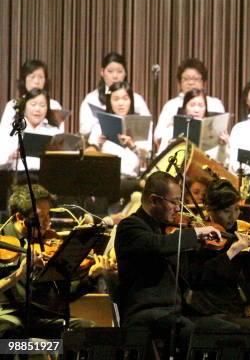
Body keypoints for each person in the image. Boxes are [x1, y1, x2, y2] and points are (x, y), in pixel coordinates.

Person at [115, 171, 236, 359]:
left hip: (175, 313)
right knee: (191, 333)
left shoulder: (168, 231)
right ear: (154, 200)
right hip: (145, 313)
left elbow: (193, 278)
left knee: (229, 331)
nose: (178, 208)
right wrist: (196, 234)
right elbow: (158, 245)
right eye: (174, 202)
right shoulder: (131, 227)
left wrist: (224, 253)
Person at [0, 184, 115, 339]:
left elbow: (64, 295)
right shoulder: (2, 241)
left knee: (88, 331)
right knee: (12, 332)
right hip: (10, 315)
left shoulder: (49, 242)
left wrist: (91, 276)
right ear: (20, 217)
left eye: (49, 215)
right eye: (42, 217)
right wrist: (20, 272)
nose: (49, 222)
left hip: (41, 317)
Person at [183, 179, 250, 340]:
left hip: (233, 313)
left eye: (237, 209)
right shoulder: (197, 238)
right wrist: (232, 252)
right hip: (205, 315)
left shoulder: (237, 239)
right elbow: (199, 280)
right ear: (209, 209)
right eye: (227, 211)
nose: (234, 217)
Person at [87, 81, 151, 178]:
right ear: (109, 102)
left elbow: (147, 157)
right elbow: (89, 156)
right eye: (116, 99)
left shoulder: (142, 124)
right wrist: (99, 146)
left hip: (132, 178)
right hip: (106, 177)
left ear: (131, 101)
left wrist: (132, 146)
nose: (121, 103)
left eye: (125, 99)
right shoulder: (99, 126)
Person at [154, 58, 225, 144]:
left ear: (203, 82)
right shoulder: (171, 105)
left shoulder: (215, 104)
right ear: (180, 83)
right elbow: (158, 137)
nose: (191, 83)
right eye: (186, 79)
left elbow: (222, 133)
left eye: (195, 79)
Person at [79, 52, 150, 137]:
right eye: (110, 71)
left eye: (119, 71)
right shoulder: (92, 99)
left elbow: (146, 127)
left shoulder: (137, 99)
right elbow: (84, 130)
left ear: (125, 73)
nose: (115, 76)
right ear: (102, 72)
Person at [157, 87, 229, 163]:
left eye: (201, 106)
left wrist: (223, 147)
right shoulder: (172, 129)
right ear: (185, 108)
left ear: (205, 109)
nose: (196, 110)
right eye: (192, 105)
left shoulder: (214, 130)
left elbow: (221, 162)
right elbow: (160, 159)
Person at [0, 88, 63, 171]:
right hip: (16, 178)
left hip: (45, 178)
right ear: (25, 106)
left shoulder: (54, 132)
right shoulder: (11, 130)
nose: (37, 109)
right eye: (33, 104)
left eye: (42, 105)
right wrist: (10, 158)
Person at [0, 59, 64, 133]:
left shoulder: (54, 105)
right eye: (32, 77)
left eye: (40, 77)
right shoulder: (12, 105)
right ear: (24, 80)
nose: (36, 81)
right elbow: (3, 137)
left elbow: (59, 137)